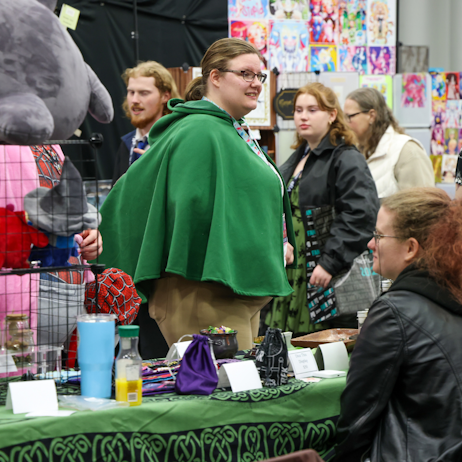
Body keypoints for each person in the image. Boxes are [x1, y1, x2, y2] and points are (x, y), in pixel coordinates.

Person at [98, 38, 296, 350]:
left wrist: (276, 241)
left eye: (260, 76)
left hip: (231, 289)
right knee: (222, 392)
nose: (256, 84)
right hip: (202, 292)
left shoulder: (230, 130)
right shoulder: (200, 131)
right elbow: (140, 191)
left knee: (242, 389)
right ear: (215, 77)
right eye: (245, 74)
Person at [334, 187, 462, 462]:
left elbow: (356, 417)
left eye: (379, 235)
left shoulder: (393, 313)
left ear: (410, 248)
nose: (370, 244)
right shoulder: (452, 294)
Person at [266, 82, 379, 336]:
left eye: (313, 109)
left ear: (331, 115)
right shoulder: (297, 157)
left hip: (324, 273)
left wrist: (328, 263)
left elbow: (360, 215)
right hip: (292, 270)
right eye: (298, 110)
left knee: (318, 348)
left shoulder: (346, 157)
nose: (303, 116)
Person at [344, 87, 434, 199]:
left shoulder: (407, 151)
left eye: (349, 117)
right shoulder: (355, 152)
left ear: (371, 116)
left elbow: (424, 206)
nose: (345, 124)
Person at [112, 61, 180, 185]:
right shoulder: (126, 144)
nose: (134, 100)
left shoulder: (176, 142)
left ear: (165, 96)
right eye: (131, 92)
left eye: (144, 93)